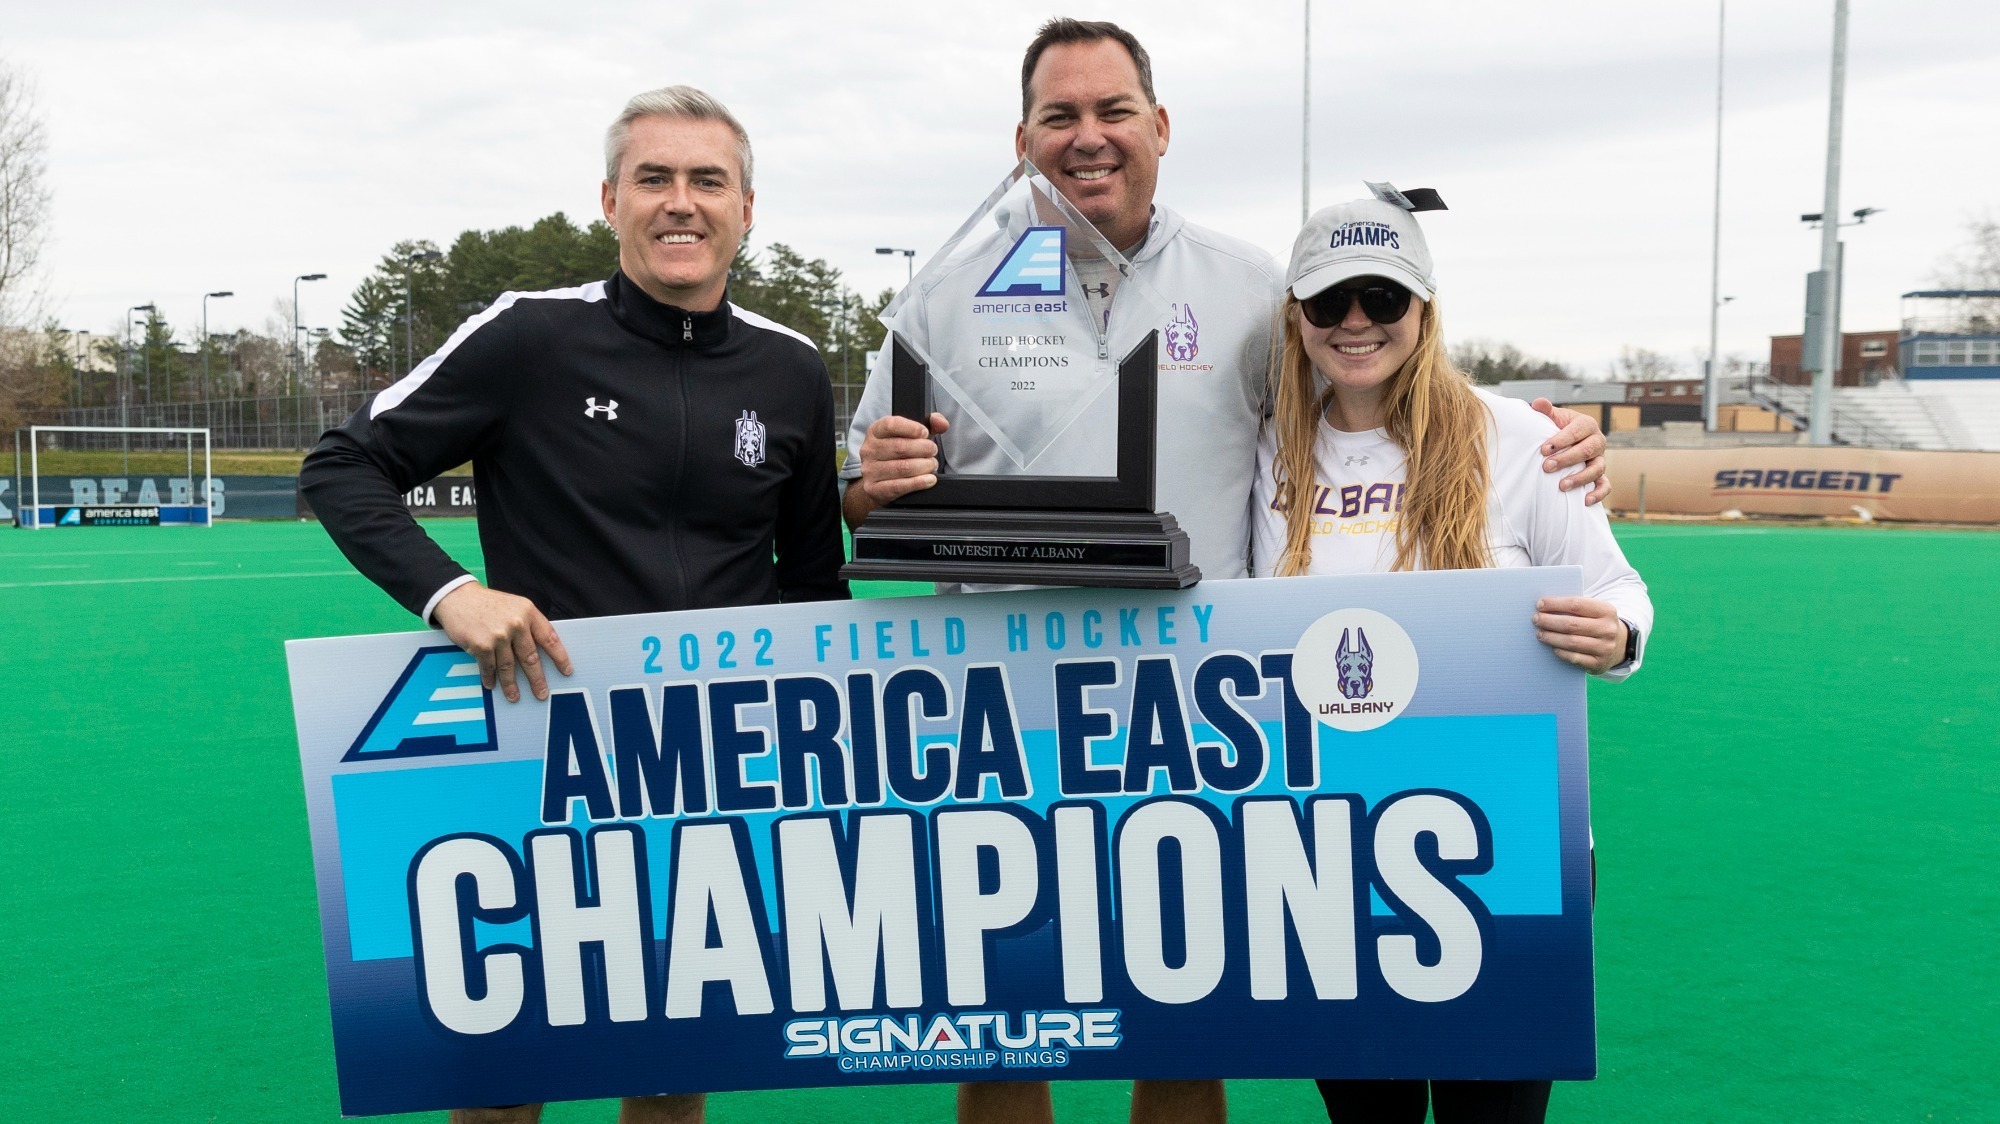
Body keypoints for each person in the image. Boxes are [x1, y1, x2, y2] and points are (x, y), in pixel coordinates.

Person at [840, 18, 1613, 1124]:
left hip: (1187, 710)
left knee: (1181, 1030)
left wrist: (1540, 439)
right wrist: (879, 475)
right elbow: (866, 493)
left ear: (1158, 127)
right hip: (998, 709)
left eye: (1112, 111)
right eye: (1059, 115)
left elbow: (1372, 402)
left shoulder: (1253, 288)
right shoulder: (943, 292)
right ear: (1021, 138)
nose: (1087, 137)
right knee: (1008, 1034)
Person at [298, 85, 848, 1124]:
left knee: (671, 1069)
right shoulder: (530, 336)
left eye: (705, 181)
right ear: (609, 199)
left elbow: (815, 580)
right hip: (536, 746)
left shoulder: (790, 368)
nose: (678, 203)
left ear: (746, 208)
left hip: (710, 760)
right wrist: (450, 593)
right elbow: (342, 465)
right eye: (653, 179)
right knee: (508, 1076)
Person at [1251, 188, 1652, 1124]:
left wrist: (1618, 635)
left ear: (1424, 309)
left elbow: (1619, 590)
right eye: (1329, 302)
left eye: (1382, 300)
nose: (1356, 323)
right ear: (1297, 316)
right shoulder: (1265, 445)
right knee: (1368, 1115)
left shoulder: (1517, 438)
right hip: (1328, 849)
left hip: (1507, 837)